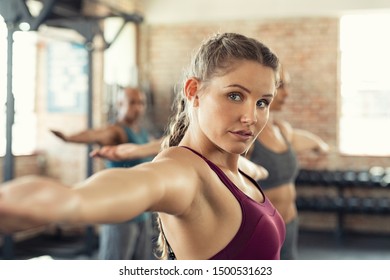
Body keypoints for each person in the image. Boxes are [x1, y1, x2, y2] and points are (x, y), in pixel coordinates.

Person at [0, 32, 285, 260]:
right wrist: (63, 203)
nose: (251, 117)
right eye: (235, 96)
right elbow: (77, 200)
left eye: (263, 102)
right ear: (194, 92)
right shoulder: (181, 173)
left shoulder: (232, 167)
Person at [52, 87, 156, 260]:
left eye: (141, 103)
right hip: (120, 212)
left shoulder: (142, 132)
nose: (138, 107)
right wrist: (69, 138)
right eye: (132, 103)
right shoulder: (116, 131)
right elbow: (94, 134)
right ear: (120, 104)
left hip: (142, 212)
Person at [247, 66, 329, 260]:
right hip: (261, 231)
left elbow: (307, 141)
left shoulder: (282, 130)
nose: (287, 93)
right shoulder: (247, 134)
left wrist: (320, 145)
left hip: (289, 224)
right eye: (281, 86)